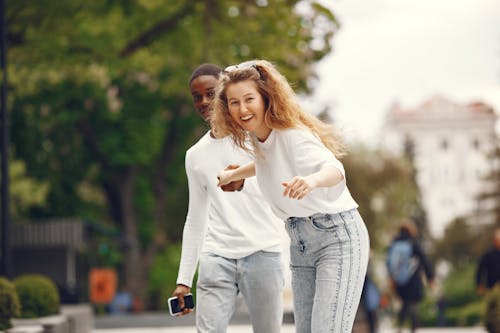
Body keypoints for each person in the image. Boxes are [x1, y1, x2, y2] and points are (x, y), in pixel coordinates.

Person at [212, 59, 370, 333]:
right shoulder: (261, 139)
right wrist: (235, 175)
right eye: (234, 102)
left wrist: (311, 180)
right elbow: (268, 162)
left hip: (337, 237)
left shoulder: (292, 134)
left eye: (249, 99)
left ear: (265, 98)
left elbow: (334, 168)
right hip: (300, 242)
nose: (242, 109)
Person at [171, 63, 285, 333]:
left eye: (210, 93)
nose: (204, 102)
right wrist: (183, 280)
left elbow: (280, 186)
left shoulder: (258, 138)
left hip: (262, 253)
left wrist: (244, 181)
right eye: (196, 97)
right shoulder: (195, 155)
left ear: (225, 93)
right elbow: (196, 219)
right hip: (216, 256)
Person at [386, 220, 434, 333]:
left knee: (404, 303)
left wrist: (391, 278)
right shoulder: (413, 243)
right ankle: (414, 328)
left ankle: (400, 326)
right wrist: (430, 276)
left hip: (398, 280)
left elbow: (389, 262)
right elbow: (424, 259)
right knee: (412, 304)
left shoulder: (394, 244)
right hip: (413, 279)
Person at [476, 227, 500, 294]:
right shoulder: (488, 255)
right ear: (495, 241)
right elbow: (480, 270)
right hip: (492, 287)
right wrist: (479, 285)